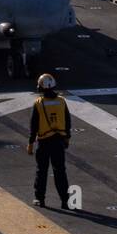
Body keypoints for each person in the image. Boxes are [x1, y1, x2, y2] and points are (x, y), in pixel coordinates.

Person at [27, 72, 72, 209]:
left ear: (41, 88)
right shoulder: (61, 101)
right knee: (60, 171)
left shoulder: (39, 103)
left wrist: (30, 143)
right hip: (59, 141)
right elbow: (68, 121)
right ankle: (65, 201)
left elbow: (33, 126)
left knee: (42, 171)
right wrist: (67, 138)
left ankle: (40, 199)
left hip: (44, 142)